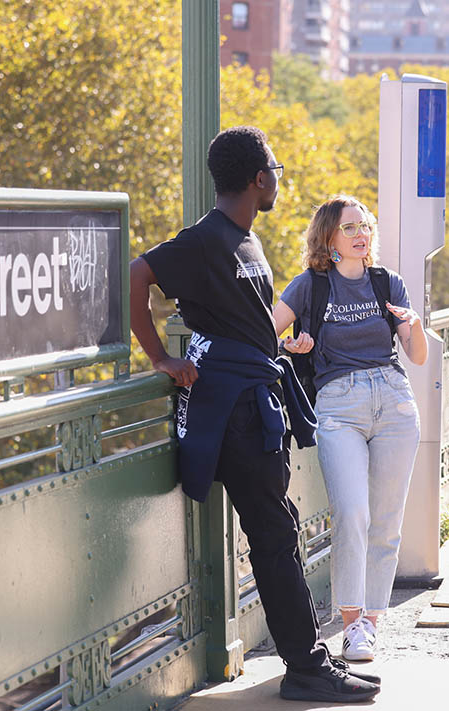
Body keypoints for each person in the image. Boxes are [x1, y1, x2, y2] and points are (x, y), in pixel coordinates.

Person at [127, 126, 380, 703]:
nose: (278, 181)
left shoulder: (246, 239)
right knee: (273, 532)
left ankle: (307, 664)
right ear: (257, 178)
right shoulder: (208, 238)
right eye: (275, 170)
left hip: (255, 400)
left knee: (277, 530)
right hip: (234, 410)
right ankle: (307, 669)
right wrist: (162, 358)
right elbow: (137, 275)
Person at [271, 195, 427, 664]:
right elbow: (265, 331)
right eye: (350, 227)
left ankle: (369, 626)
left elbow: (416, 356)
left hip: (395, 402)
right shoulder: (308, 287)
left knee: (386, 519)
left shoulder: (387, 283)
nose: (362, 234)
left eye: (366, 225)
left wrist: (415, 325)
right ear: (329, 238)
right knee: (352, 513)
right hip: (338, 405)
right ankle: (349, 620)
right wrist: (291, 344)